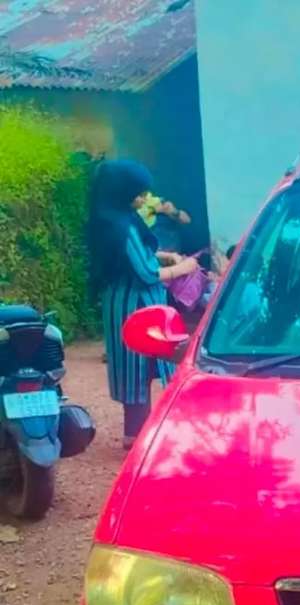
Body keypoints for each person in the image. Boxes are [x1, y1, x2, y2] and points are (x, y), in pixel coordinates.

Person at [89, 160, 198, 448]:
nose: (142, 199)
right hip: (136, 304)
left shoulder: (109, 217)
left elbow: (134, 256)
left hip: (119, 302)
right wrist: (182, 267)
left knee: (134, 368)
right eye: (137, 193)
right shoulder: (122, 226)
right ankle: (140, 437)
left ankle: (136, 432)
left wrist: (165, 256)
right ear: (121, 190)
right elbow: (146, 273)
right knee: (143, 365)